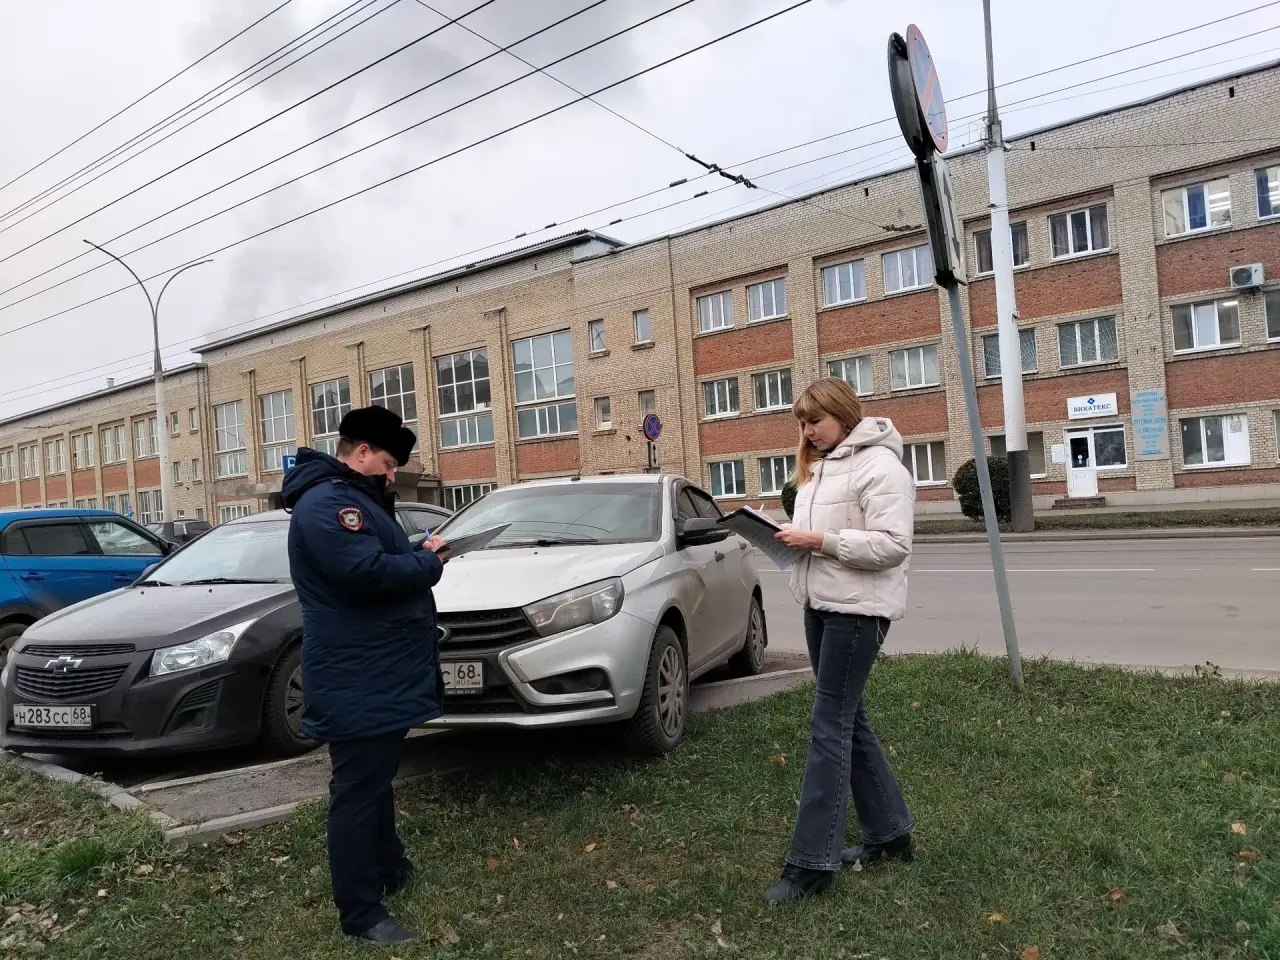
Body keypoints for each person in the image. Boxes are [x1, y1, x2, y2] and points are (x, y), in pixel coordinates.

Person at [282, 405, 449, 945]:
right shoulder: (330, 504)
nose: (391, 474)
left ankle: (390, 868)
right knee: (357, 789)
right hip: (358, 673)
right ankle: (361, 914)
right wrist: (429, 565)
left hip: (375, 669)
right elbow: (364, 572)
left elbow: (377, 557)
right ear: (360, 454)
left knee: (376, 779)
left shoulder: (355, 500)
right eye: (387, 463)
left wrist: (417, 550)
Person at [763, 377, 917, 906]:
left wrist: (819, 541)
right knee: (849, 721)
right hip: (822, 606)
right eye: (802, 423)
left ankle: (811, 864)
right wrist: (786, 540)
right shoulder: (819, 468)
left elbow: (893, 545)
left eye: (815, 421)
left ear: (844, 416)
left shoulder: (881, 466)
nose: (807, 431)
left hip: (858, 613)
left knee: (829, 725)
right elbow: (823, 539)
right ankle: (891, 832)